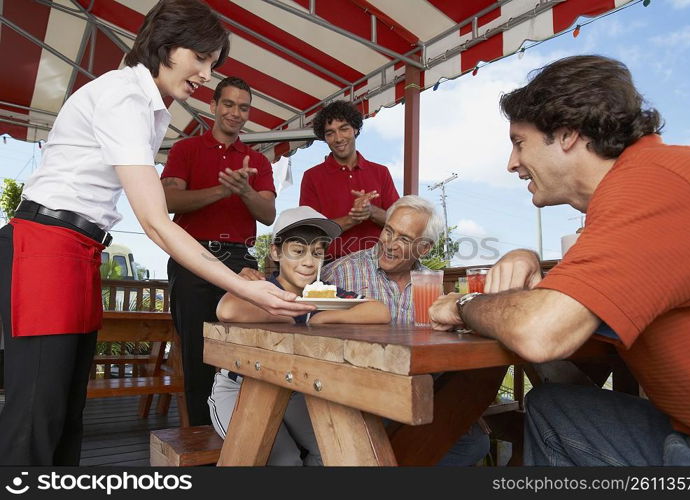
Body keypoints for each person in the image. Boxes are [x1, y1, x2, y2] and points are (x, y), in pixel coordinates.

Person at [0, 0, 311, 466]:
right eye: (201, 59)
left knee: (66, 413)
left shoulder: (151, 109)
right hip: (47, 245)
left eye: (212, 64)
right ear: (168, 44)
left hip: (81, 251)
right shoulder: (125, 95)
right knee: (36, 417)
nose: (206, 74)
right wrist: (256, 291)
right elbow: (155, 221)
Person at [429, 55, 690, 465]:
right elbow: (582, 304)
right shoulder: (639, 186)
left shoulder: (653, 184)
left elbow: (541, 331)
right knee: (553, 408)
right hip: (685, 430)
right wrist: (530, 259)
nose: (512, 163)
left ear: (567, 134)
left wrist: (463, 305)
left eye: (520, 143)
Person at [208, 206, 391, 465]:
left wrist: (324, 316)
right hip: (239, 388)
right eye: (297, 251)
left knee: (334, 450)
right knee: (285, 460)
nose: (308, 261)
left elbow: (379, 310)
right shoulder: (262, 288)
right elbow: (227, 309)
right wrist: (298, 314)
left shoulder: (323, 293)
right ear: (275, 252)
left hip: (295, 388)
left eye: (317, 253)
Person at [322, 195, 491, 466]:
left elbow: (442, 353)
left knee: (474, 443)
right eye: (388, 230)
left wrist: (460, 404)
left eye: (403, 238)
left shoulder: (432, 286)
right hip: (357, 398)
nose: (389, 243)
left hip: (414, 399)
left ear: (424, 249)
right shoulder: (341, 274)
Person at [160, 76, 276, 425]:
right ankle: (201, 437)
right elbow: (166, 199)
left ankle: (243, 433)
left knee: (244, 350)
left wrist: (243, 190)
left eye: (243, 107)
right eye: (229, 104)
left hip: (241, 261)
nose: (235, 112)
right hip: (192, 256)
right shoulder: (185, 150)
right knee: (197, 353)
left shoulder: (258, 161)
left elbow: (267, 214)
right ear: (212, 106)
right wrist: (221, 191)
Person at [300, 100, 399, 260]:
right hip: (332, 266)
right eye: (330, 133)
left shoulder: (381, 172)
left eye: (344, 129)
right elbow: (310, 232)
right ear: (324, 137)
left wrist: (371, 211)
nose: (338, 138)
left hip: (380, 264)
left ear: (355, 129)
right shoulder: (312, 176)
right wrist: (352, 219)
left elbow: (398, 224)